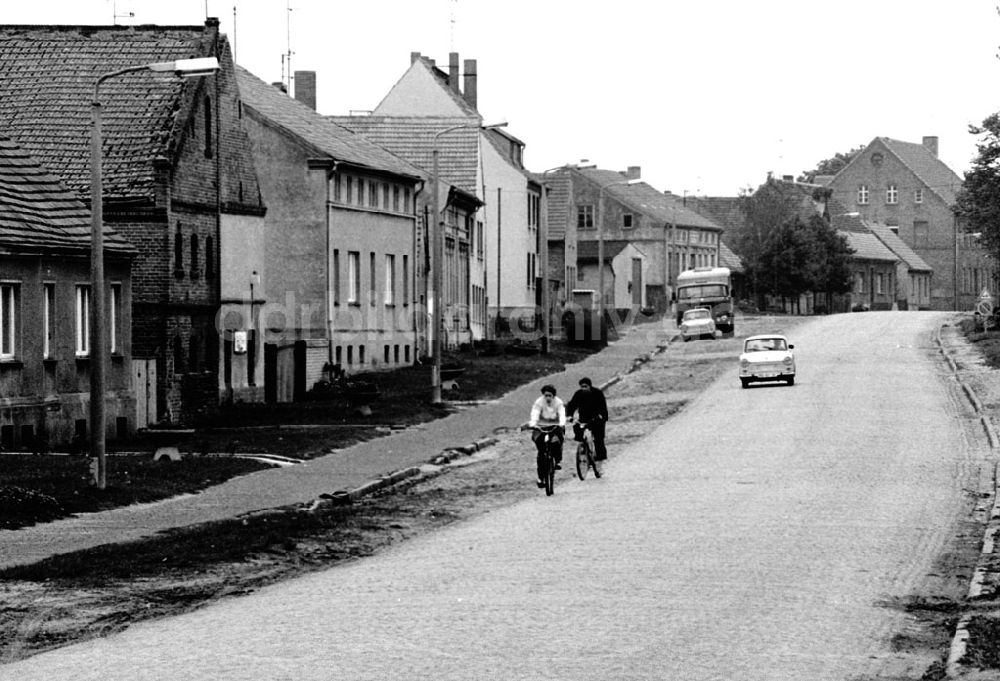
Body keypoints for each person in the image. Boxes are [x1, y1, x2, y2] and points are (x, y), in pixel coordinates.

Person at [528, 384, 567, 487]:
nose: (548, 398)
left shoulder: (558, 402)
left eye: (550, 395)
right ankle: (541, 478)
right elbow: (535, 413)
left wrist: (562, 423)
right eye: (546, 395)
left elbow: (562, 413)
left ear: (553, 395)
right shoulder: (539, 402)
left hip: (554, 426)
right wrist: (533, 423)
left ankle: (557, 460)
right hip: (541, 427)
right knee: (541, 453)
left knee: (557, 441)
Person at [566, 377, 609, 461]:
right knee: (577, 428)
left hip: (596, 417)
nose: (584, 388)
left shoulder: (597, 393)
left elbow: (603, 406)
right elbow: (572, 405)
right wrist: (570, 416)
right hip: (584, 417)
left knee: (598, 438)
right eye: (582, 386)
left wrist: (603, 417)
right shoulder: (578, 394)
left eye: (585, 386)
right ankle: (583, 446)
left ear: (589, 386)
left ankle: (601, 456)